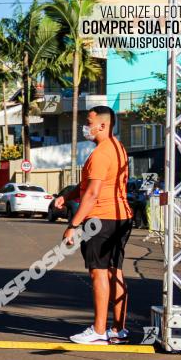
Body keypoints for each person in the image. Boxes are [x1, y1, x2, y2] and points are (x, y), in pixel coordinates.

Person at [55, 105, 133, 345]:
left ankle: (99, 331)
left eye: (88, 122)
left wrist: (74, 225)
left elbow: (92, 193)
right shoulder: (117, 148)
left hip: (101, 219)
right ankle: (118, 330)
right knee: (114, 272)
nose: (85, 127)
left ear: (102, 125)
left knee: (98, 273)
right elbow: (87, 186)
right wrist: (66, 197)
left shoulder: (100, 154)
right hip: (121, 217)